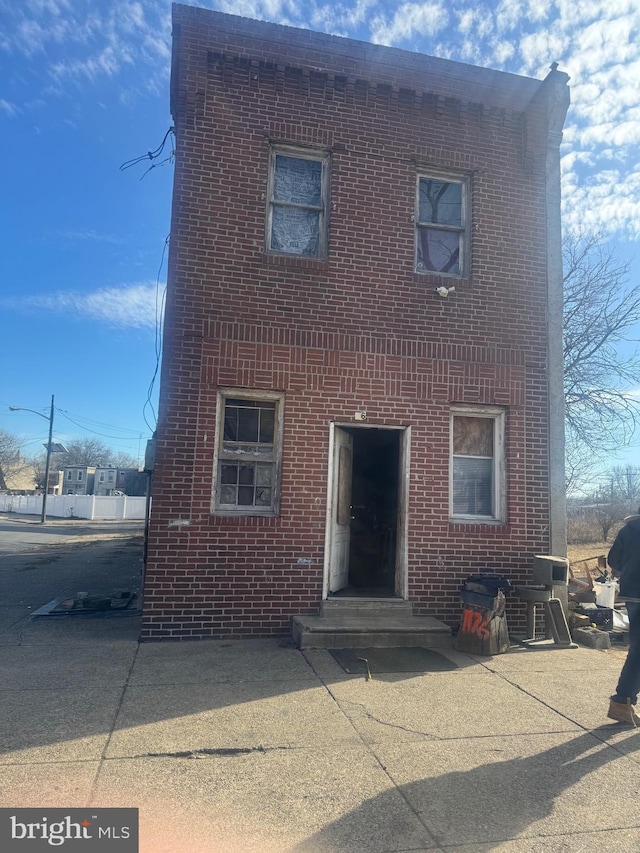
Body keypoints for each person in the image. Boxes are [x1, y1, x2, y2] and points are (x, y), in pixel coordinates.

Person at [607, 509, 640, 726]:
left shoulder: (628, 530)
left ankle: (623, 702)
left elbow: (613, 559)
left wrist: (626, 572)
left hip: (632, 595)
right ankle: (622, 701)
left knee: (638, 648)